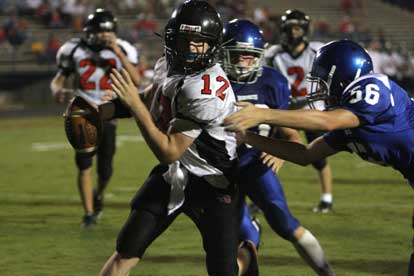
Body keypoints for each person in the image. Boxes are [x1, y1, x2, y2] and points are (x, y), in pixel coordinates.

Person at [223, 39, 414, 276]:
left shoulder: (373, 87)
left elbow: (328, 121)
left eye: (324, 79)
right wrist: (249, 138)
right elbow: (306, 154)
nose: (320, 88)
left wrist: (263, 114)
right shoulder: (352, 122)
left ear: (343, 76)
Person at [99, 1, 241, 275]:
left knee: (224, 270)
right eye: (184, 39)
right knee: (126, 249)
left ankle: (248, 252)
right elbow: (150, 98)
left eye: (199, 41)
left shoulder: (207, 87)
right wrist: (100, 112)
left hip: (214, 183)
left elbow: (168, 150)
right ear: (171, 38)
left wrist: (135, 106)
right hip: (174, 176)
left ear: (212, 45)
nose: (190, 48)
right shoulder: (167, 64)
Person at [222, 19, 334, 276]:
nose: (242, 62)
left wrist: (277, 151)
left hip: (254, 163)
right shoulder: (212, 82)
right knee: (236, 236)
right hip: (218, 169)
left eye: (249, 56)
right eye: (237, 55)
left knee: (286, 224)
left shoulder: (272, 81)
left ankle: (328, 273)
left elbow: (291, 134)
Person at [50, 8, 140, 227]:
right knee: (84, 165)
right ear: (89, 32)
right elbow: (58, 80)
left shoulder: (123, 49)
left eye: (106, 31)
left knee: (106, 171)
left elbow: (136, 79)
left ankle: (98, 194)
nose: (102, 35)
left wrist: (117, 52)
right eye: (99, 31)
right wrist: (56, 90)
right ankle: (89, 213)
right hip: (82, 113)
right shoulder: (73, 49)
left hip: (108, 115)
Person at [265, 9, 334, 213]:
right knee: (270, 153)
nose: (294, 32)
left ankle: (327, 198)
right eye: (290, 28)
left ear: (304, 30)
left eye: (297, 28)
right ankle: (263, 194)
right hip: (283, 110)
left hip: (310, 108)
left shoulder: (316, 53)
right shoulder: (273, 54)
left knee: (319, 157)